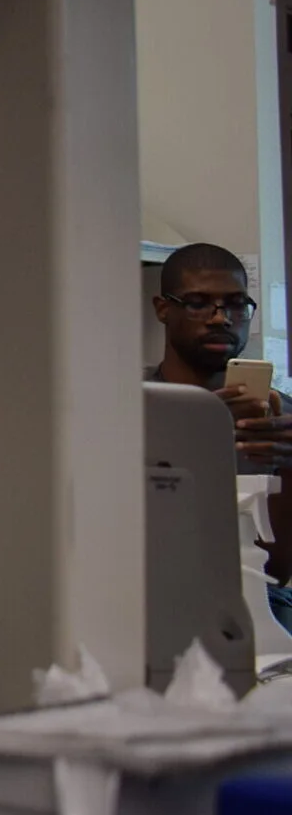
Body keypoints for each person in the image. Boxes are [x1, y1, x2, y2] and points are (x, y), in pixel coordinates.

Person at [149, 242, 292, 583]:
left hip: (252, 595)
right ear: (163, 309)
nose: (221, 318)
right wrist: (195, 439)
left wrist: (289, 466)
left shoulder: (279, 417)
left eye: (237, 304)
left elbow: (275, 571)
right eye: (198, 304)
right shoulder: (125, 403)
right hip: (146, 594)